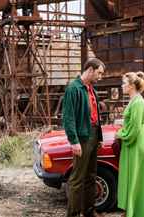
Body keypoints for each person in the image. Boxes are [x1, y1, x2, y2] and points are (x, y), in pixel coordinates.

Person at [62, 58, 105, 217]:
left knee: (91, 175)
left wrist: (99, 136)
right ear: (90, 70)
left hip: (93, 135)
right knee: (78, 178)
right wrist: (74, 141)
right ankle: (73, 214)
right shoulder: (73, 89)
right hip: (82, 137)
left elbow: (95, 115)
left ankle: (89, 211)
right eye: (99, 72)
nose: (100, 76)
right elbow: (68, 118)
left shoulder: (91, 89)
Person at [114, 72, 144, 217]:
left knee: (137, 179)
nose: (121, 86)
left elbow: (134, 129)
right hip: (134, 143)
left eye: (124, 83)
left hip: (137, 143)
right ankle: (133, 211)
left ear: (132, 85)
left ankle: (140, 213)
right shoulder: (134, 101)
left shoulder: (138, 102)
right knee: (134, 178)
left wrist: (119, 134)